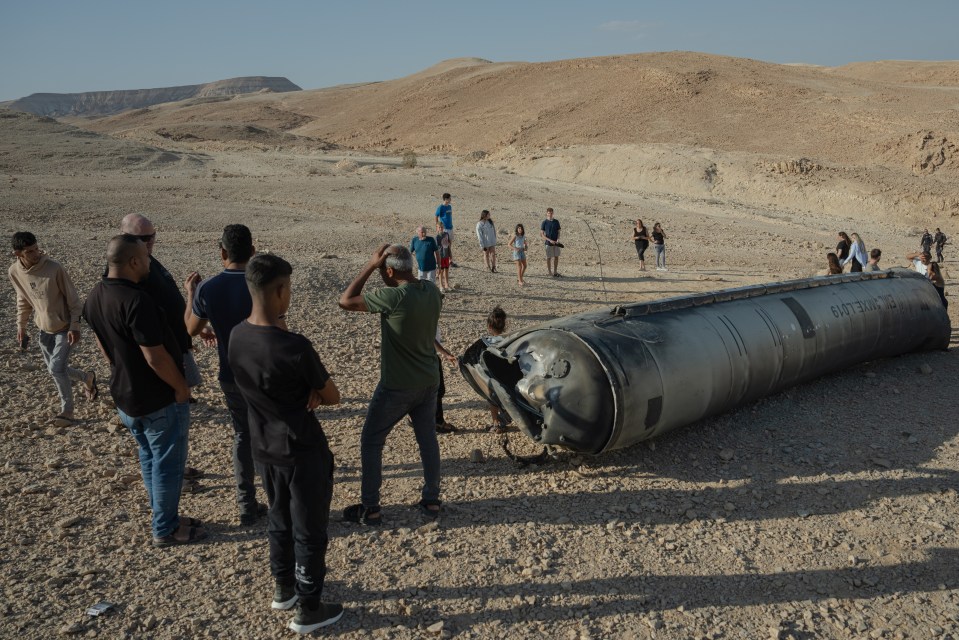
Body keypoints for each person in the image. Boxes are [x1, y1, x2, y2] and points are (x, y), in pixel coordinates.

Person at [228, 254, 343, 634]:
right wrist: (310, 389)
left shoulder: (236, 337)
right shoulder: (294, 347)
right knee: (309, 529)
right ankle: (309, 608)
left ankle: (284, 587)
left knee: (278, 519)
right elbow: (333, 396)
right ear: (280, 291)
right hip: (302, 450)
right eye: (288, 288)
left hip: (264, 448)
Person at [83, 235, 205, 547]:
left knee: (149, 458)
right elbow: (155, 356)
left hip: (125, 396)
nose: (150, 263)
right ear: (134, 262)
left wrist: (116, 365)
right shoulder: (137, 301)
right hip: (157, 398)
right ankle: (165, 529)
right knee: (167, 464)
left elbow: (101, 339)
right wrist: (180, 388)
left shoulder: (96, 295)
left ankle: (165, 517)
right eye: (146, 258)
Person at [338, 244, 443, 525]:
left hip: (398, 384)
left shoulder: (393, 296)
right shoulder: (432, 292)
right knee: (427, 440)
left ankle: (370, 508)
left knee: (372, 440)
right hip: (430, 379)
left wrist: (369, 266)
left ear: (389, 270)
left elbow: (346, 300)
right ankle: (432, 501)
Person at [183, 224, 265, 526]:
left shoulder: (209, 288)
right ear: (253, 252)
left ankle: (246, 505)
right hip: (264, 374)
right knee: (267, 435)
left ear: (222, 253)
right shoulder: (263, 284)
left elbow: (189, 331)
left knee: (242, 436)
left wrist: (190, 294)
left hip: (230, 373)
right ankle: (277, 499)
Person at [119, 213, 204, 485]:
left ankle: (175, 465)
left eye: (151, 236)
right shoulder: (130, 275)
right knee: (171, 417)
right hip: (161, 357)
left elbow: (167, 307)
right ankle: (171, 472)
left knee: (176, 419)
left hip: (176, 347)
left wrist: (194, 325)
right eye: (141, 239)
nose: (148, 242)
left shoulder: (146, 263)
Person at [8, 232, 97, 427]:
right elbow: (23, 299)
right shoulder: (14, 272)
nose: (36, 254)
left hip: (65, 328)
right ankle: (87, 377)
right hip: (44, 329)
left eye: (36, 249)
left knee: (56, 369)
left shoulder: (54, 268)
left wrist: (75, 326)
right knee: (56, 369)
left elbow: (74, 300)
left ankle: (68, 411)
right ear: (18, 254)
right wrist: (21, 326)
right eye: (29, 252)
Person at [484, 307, 508, 433]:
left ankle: (496, 423)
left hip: (494, 379)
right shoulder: (509, 339)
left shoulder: (487, 343)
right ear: (504, 325)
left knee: (492, 398)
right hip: (509, 378)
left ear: (489, 326)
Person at [435, 193, 456, 266]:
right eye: (449, 198)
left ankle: (450, 260)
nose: (450, 200)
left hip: (450, 228)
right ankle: (444, 260)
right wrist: (437, 226)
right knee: (444, 245)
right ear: (446, 199)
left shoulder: (450, 207)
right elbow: (436, 216)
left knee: (450, 244)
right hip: (444, 228)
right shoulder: (440, 207)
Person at [540, 207, 562, 277]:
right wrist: (549, 240)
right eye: (549, 213)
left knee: (556, 257)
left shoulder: (556, 222)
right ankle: (549, 272)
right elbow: (542, 234)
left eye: (551, 213)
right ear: (546, 213)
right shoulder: (544, 222)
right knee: (549, 258)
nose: (550, 214)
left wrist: (558, 239)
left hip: (556, 243)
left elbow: (558, 232)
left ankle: (555, 272)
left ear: (553, 213)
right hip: (548, 243)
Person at [436, 227, 452, 292]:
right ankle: (441, 285)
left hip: (446, 255)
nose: (441, 228)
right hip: (441, 256)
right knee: (441, 271)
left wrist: (450, 255)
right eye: (439, 227)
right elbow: (436, 249)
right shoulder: (437, 237)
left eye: (442, 227)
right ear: (437, 228)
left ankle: (446, 284)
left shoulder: (446, 234)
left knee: (447, 270)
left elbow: (448, 245)